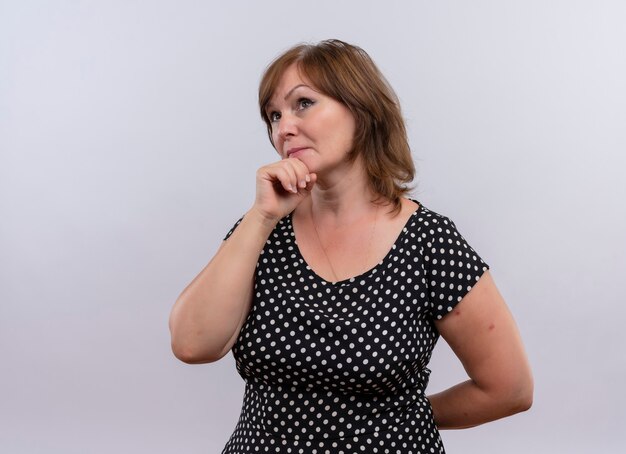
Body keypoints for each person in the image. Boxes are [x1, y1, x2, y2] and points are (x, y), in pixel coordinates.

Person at [169, 39, 533, 453]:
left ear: (362, 111)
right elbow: (192, 344)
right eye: (273, 115)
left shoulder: (429, 242)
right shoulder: (260, 230)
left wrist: (400, 418)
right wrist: (261, 217)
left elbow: (509, 388)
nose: (283, 127)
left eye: (303, 103)